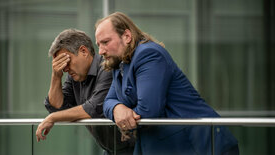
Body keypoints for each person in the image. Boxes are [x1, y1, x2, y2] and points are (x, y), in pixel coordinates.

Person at [95, 12, 239, 155]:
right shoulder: (120, 63)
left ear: (126, 36)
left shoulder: (148, 54)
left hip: (200, 144)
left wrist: (125, 120)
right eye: (98, 44)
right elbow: (107, 102)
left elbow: (148, 111)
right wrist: (116, 108)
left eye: (106, 42)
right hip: (166, 145)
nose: (101, 51)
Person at [35, 29, 135, 155]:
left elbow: (96, 107)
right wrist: (56, 76)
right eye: (60, 64)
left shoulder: (107, 67)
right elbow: (58, 109)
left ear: (84, 51)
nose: (65, 68)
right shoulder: (74, 76)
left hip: (134, 148)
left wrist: (52, 118)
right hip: (111, 149)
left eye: (67, 61)